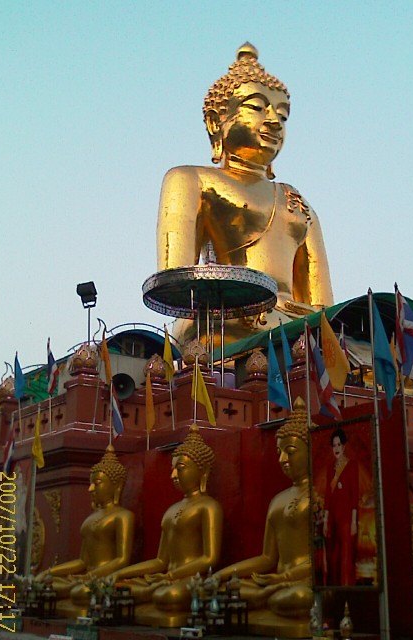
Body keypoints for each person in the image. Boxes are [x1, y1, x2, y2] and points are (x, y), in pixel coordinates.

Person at [156, 43, 333, 346]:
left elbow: (323, 310)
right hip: (223, 317)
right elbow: (176, 284)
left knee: (341, 340)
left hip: (290, 324)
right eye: (257, 107)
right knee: (220, 321)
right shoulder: (191, 180)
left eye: (283, 115)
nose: (274, 121)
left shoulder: (297, 203)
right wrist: (245, 297)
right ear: (216, 121)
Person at [214, 397, 313, 633]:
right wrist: (221, 574)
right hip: (276, 582)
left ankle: (268, 598)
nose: (282, 460)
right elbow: (268, 558)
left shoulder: (321, 496)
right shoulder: (277, 500)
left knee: (297, 597)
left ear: (312, 450)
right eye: (279, 452)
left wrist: (284, 579)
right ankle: (267, 597)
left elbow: (323, 558)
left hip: (306, 582)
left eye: (290, 452)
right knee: (224, 591)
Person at [112, 423, 223, 627]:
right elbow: (160, 561)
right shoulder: (171, 510)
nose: (173, 475)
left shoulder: (209, 507)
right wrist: (121, 573)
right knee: (117, 588)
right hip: (165, 579)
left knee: (169, 595)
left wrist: (171, 576)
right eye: (172, 469)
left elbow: (210, 558)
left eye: (180, 469)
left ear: (202, 471)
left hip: (190, 580)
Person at [36, 445, 134, 614]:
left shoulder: (123, 516)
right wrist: (49, 572)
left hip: (104, 576)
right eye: (91, 483)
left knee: (81, 591)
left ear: (116, 486)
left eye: (97, 483)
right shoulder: (90, 519)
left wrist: (90, 577)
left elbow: (122, 559)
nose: (91, 489)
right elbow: (83, 561)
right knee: (44, 585)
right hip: (86, 576)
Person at [323, 428, 359, 586]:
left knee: (346, 557)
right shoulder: (330, 468)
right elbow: (327, 495)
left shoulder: (352, 466)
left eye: (339, 445)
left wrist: (353, 522)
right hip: (332, 518)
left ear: (344, 447)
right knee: (333, 557)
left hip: (346, 519)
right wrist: (325, 521)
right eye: (334, 445)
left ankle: (347, 589)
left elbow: (354, 495)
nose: (336, 448)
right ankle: (334, 591)